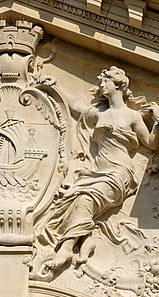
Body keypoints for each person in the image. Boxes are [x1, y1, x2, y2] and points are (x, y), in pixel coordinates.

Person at [36, 66, 159, 268]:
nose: (101, 84)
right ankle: (86, 239)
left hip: (119, 173)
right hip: (97, 173)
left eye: (106, 80)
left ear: (118, 85)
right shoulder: (100, 114)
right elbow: (76, 105)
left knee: (85, 198)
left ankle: (67, 247)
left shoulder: (132, 116)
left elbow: (152, 143)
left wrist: (157, 120)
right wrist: (55, 86)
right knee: (76, 198)